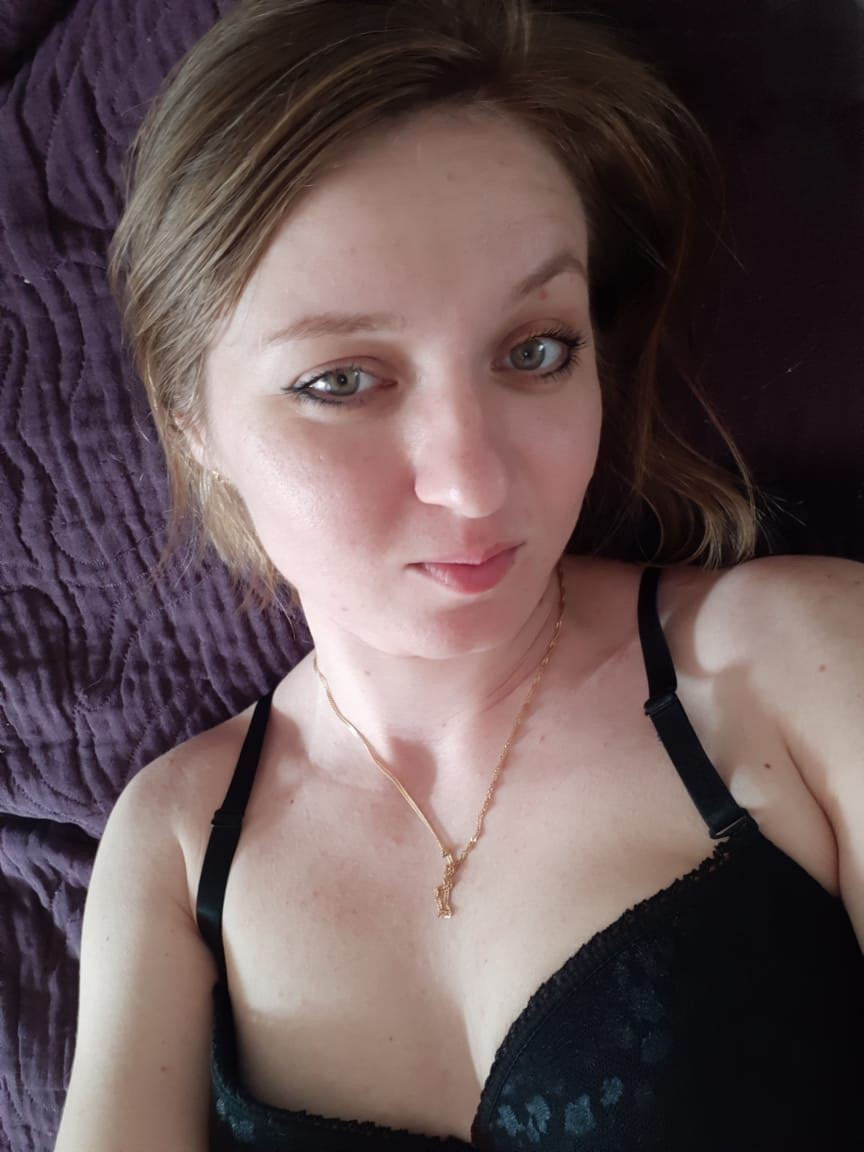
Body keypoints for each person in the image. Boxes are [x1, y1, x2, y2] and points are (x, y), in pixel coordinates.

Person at [54, 1, 864, 1150]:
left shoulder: (804, 659)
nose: (475, 484)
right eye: (342, 380)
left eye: (535, 351)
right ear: (194, 421)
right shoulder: (176, 843)